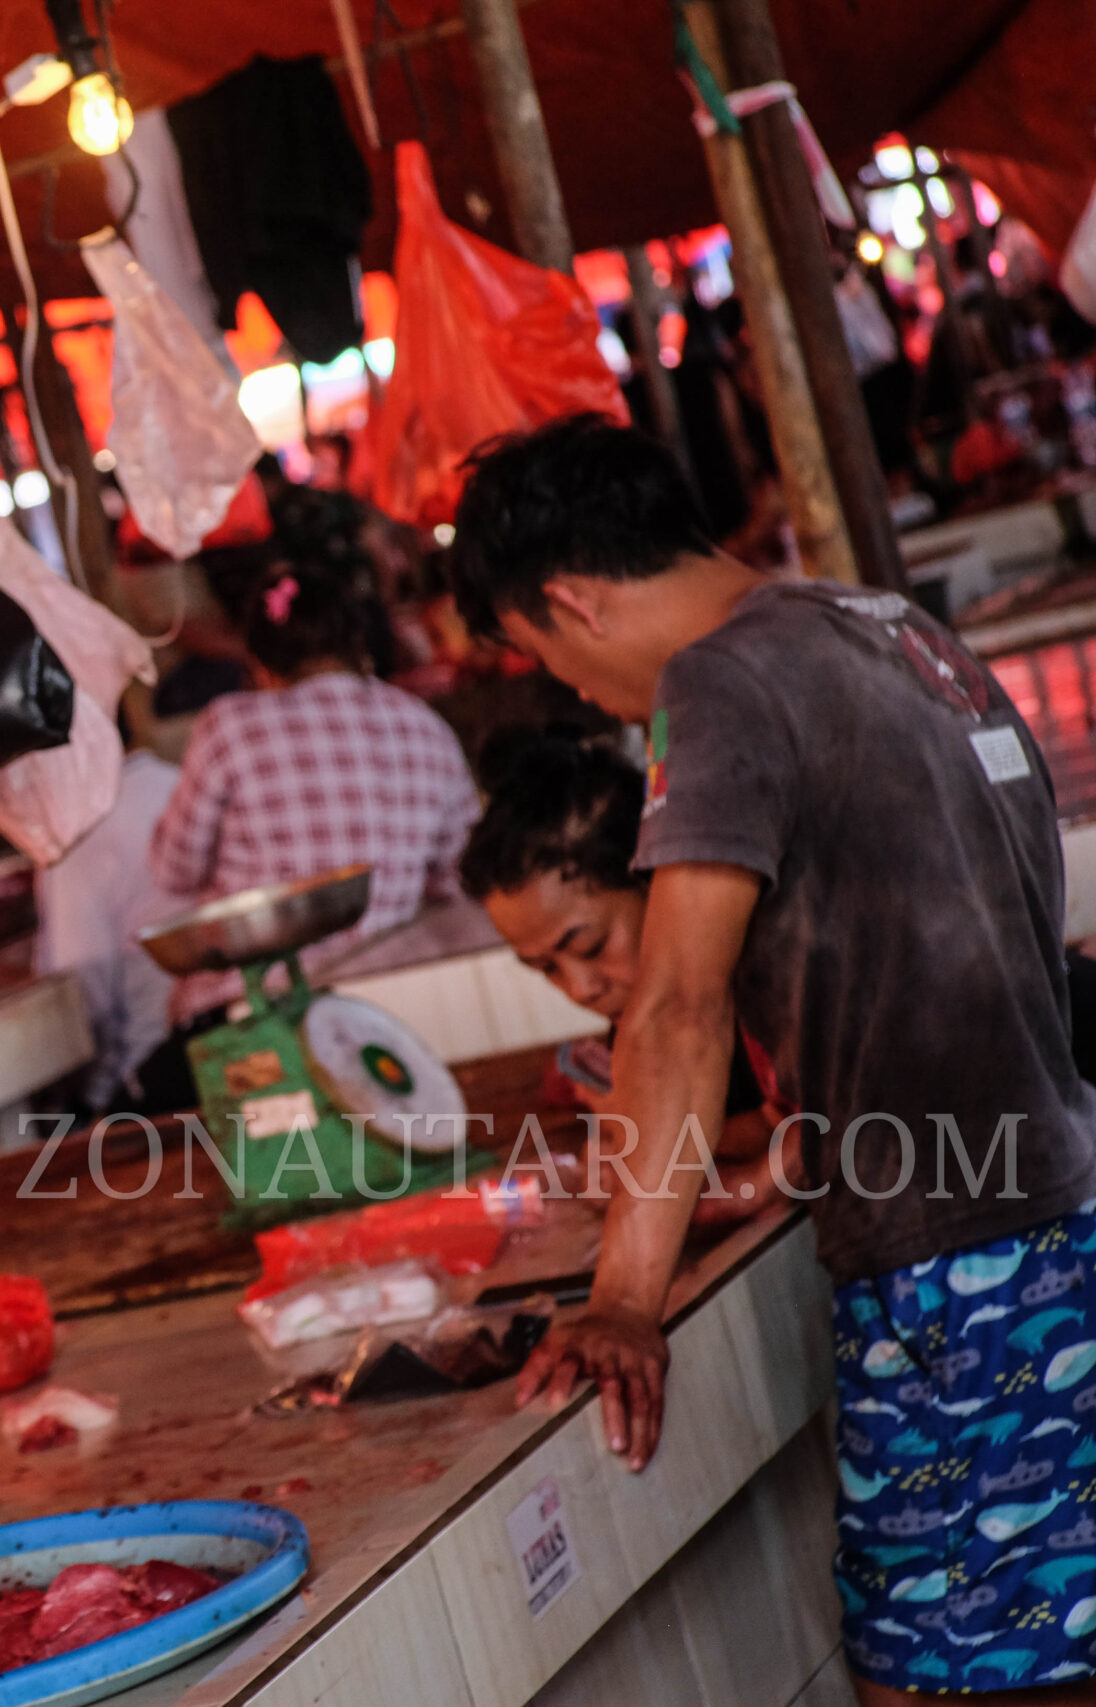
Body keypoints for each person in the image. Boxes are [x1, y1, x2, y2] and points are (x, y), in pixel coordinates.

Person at [450, 414, 1096, 1705]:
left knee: (949, 1680)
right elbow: (930, 963)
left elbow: (680, 1003)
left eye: (546, 660)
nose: (580, 699)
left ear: (569, 600)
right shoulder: (885, 624)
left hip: (961, 1261)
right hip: (1053, 1210)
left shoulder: (722, 679)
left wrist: (626, 1295)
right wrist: (802, 1150)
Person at [133, 541, 478, 1110]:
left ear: (261, 666)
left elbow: (175, 870)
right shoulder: (422, 724)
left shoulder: (230, 726)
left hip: (253, 1015)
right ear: (358, 648)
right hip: (394, 1012)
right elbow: (457, 879)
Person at [458, 732, 794, 1224]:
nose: (581, 988)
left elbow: (812, 1123)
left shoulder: (766, 982)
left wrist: (648, 1134)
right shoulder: (634, 1017)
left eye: (590, 948)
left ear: (658, 886)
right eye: (546, 968)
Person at [36, 731, 187, 1112]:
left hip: (151, 1068)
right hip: (200, 1036)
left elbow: (85, 996)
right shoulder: (178, 780)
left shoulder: (76, 834)